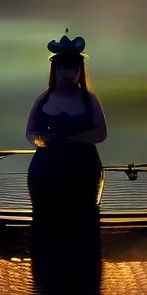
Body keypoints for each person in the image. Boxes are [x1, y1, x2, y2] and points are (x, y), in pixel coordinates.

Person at [25, 33, 108, 219]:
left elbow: (101, 133)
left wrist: (73, 139)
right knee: (44, 222)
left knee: (84, 222)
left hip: (83, 173)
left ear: (80, 70)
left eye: (72, 68)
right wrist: (42, 140)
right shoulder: (43, 99)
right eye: (61, 68)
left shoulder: (89, 100)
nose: (66, 74)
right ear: (54, 70)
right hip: (45, 173)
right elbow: (30, 132)